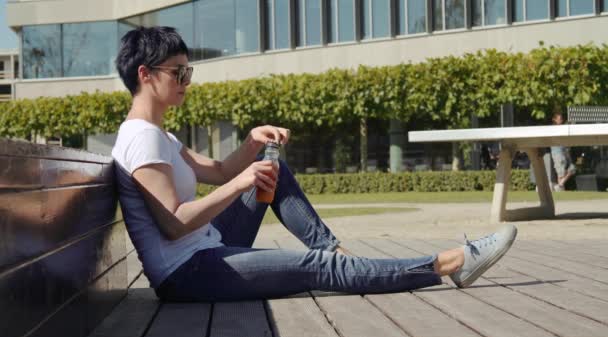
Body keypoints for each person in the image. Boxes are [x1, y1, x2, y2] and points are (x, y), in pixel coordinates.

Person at [111, 26, 517, 302]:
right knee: (314, 268)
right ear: (145, 75)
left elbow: (218, 171)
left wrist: (252, 143)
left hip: (203, 249)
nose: (187, 81)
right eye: (178, 73)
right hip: (187, 274)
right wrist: (240, 184)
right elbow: (175, 222)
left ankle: (337, 252)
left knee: (272, 172)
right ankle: (451, 263)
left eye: (188, 71)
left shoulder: (159, 134)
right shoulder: (141, 138)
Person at [550, 110, 576, 191]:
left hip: (564, 152)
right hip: (557, 153)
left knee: (572, 168)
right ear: (554, 120)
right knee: (561, 173)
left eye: (561, 119)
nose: (560, 120)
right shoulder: (553, 129)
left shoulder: (562, 127)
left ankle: (560, 185)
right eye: (559, 119)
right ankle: (560, 187)